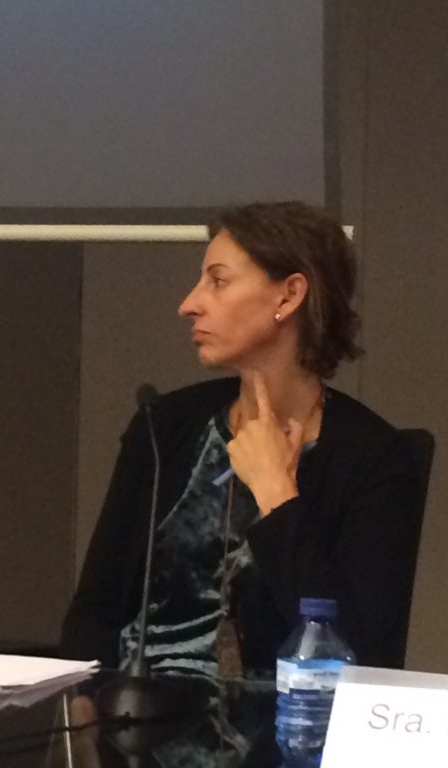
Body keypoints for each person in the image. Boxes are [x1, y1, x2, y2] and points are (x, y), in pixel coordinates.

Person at [61, 201, 418, 677]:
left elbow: (361, 655)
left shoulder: (372, 458)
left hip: (284, 720)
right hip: (136, 712)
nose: (189, 304)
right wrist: (84, 708)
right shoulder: (163, 427)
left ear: (289, 296)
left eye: (218, 281)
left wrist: (277, 495)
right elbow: (94, 612)